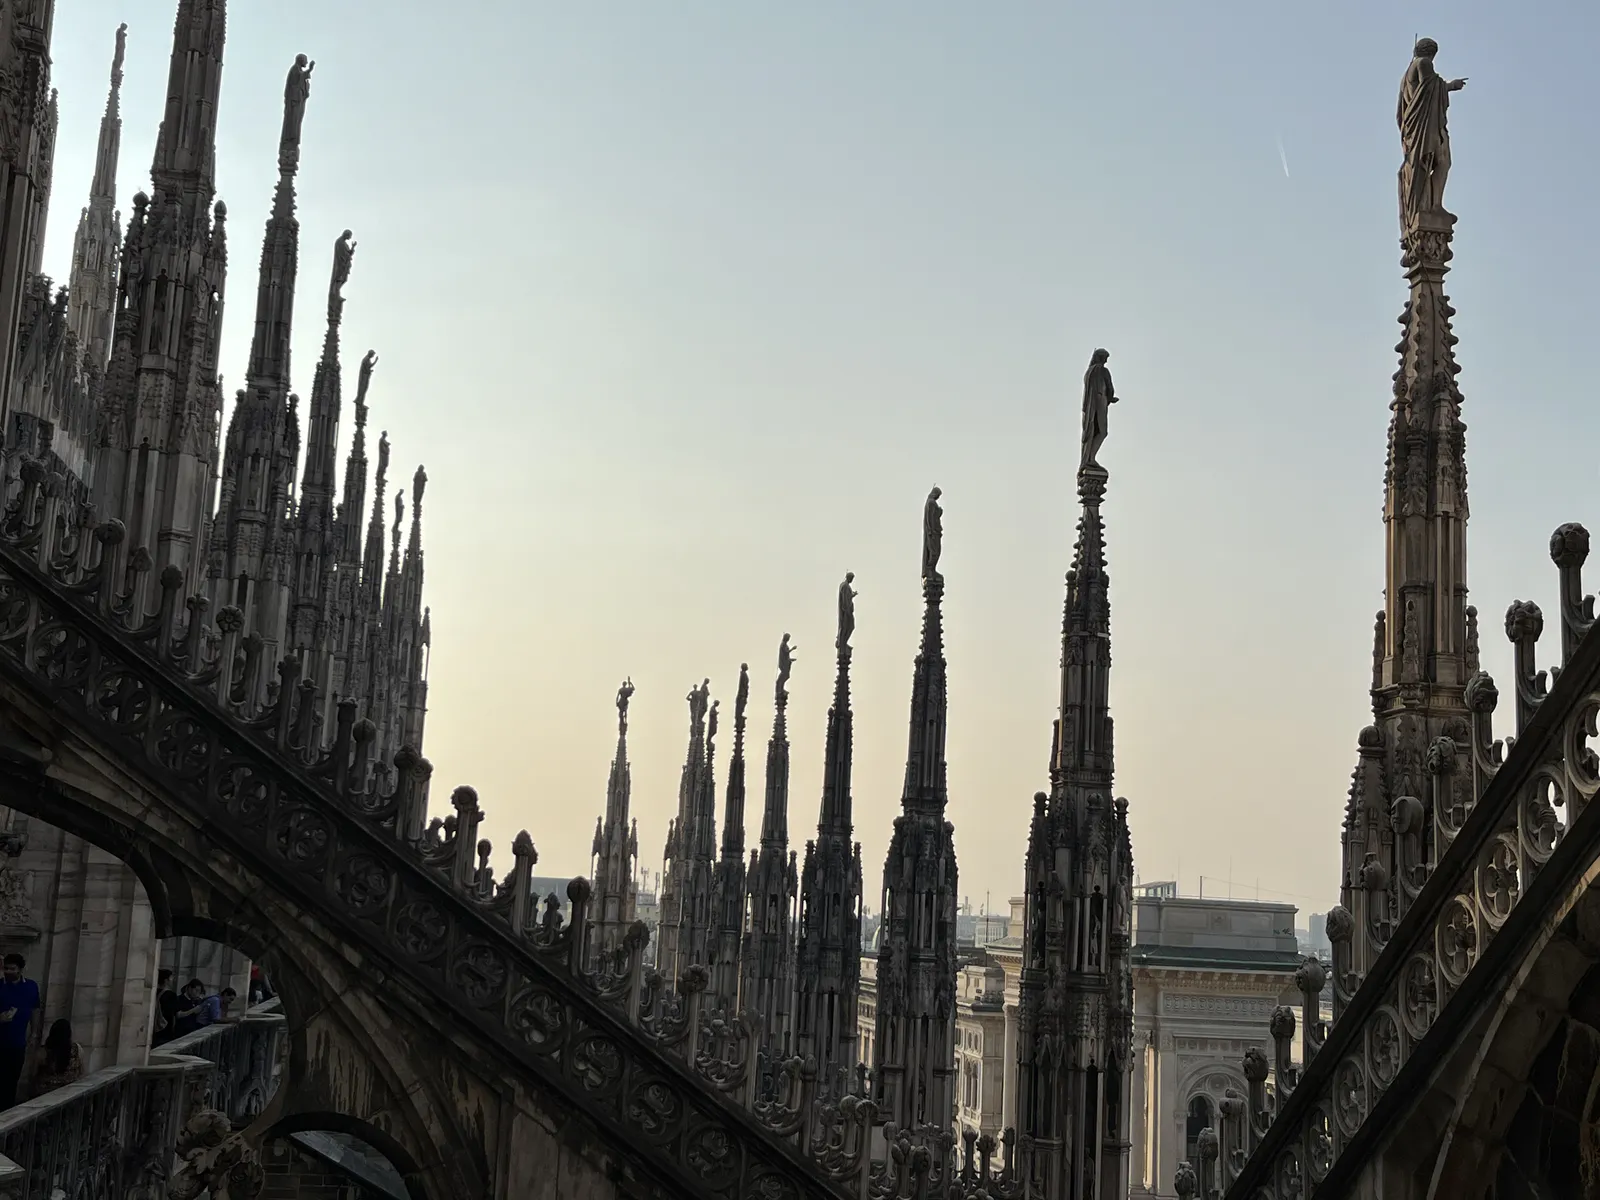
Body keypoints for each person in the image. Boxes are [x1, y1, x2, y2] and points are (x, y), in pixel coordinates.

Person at [0, 954, 40, 1109]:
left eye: (12, 969)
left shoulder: (30, 987)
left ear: (20, 970)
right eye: (6, 968)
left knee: (12, 1081)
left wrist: (34, 1032)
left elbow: (35, 1009)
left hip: (17, 1043)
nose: (8, 972)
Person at [32, 1019, 82, 1096]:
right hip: (68, 1092)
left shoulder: (44, 1051)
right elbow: (80, 1070)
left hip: (45, 1093)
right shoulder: (77, 1049)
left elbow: (34, 1072)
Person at [153, 969, 180, 1046]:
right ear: (166, 981)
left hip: (152, 1028)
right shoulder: (171, 995)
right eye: (171, 979)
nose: (172, 981)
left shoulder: (153, 992)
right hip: (165, 1029)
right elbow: (176, 1014)